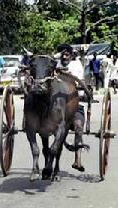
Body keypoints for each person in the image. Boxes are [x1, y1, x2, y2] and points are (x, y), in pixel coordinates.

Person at [56, 44, 87, 172]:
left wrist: (68, 76)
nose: (64, 56)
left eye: (67, 54)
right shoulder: (56, 65)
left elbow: (80, 82)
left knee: (78, 127)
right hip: (58, 104)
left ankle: (78, 159)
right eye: (63, 54)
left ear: (71, 55)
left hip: (74, 104)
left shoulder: (77, 65)